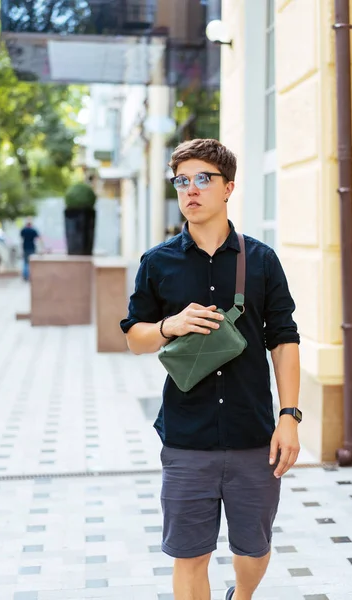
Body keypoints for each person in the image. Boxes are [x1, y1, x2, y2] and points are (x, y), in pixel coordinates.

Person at [120, 139, 301, 600]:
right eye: (182, 181)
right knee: (189, 554)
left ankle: (241, 595)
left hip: (252, 432)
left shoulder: (260, 260)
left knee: (253, 549)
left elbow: (284, 338)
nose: (191, 190)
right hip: (187, 437)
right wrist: (169, 325)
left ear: (229, 188)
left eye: (204, 179)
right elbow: (133, 336)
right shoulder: (158, 262)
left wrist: (289, 417)